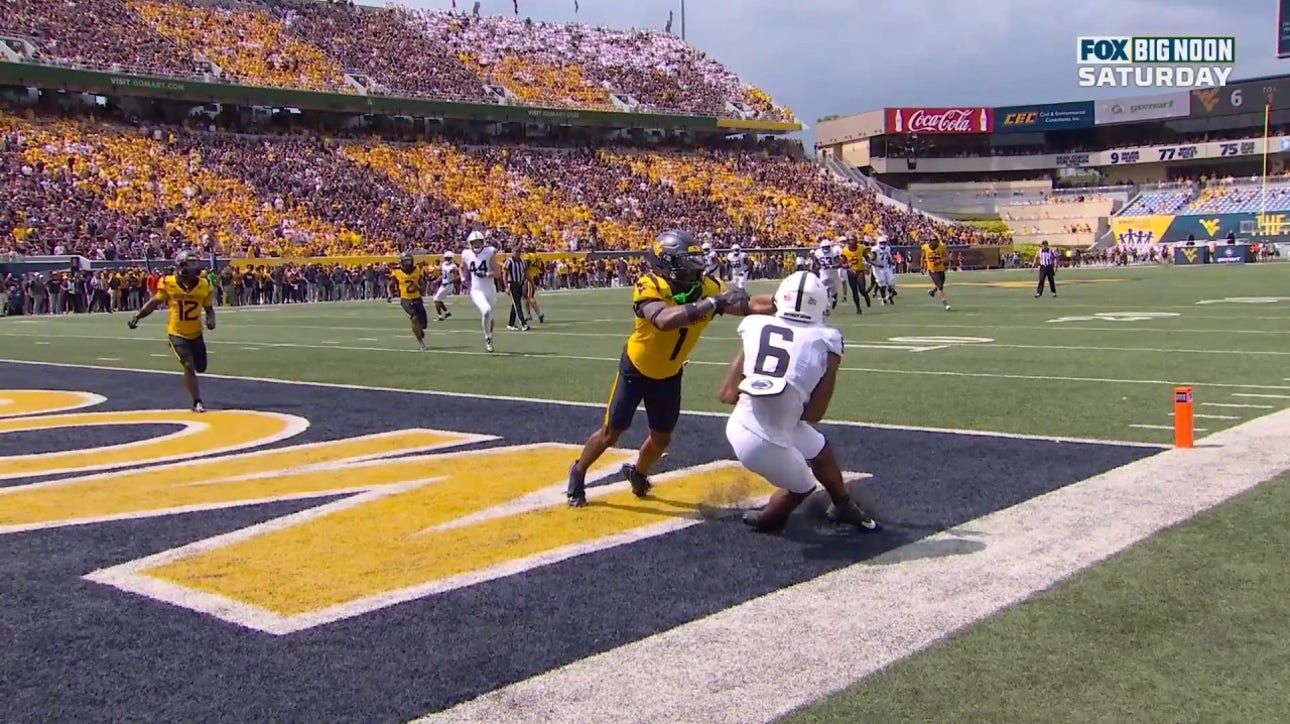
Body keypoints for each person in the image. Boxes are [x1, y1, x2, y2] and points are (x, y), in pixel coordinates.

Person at [566, 230, 775, 508]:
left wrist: (790, 301)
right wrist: (715, 302)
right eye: (685, 265)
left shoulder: (708, 288)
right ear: (665, 264)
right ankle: (578, 471)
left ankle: (637, 471)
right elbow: (664, 319)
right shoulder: (650, 285)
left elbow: (747, 304)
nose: (693, 271)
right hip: (636, 369)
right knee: (612, 432)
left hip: (670, 373)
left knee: (662, 438)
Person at [719, 271, 881, 533]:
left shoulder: (754, 325)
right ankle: (768, 520)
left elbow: (727, 394)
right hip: (763, 439)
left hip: (745, 422)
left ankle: (843, 504)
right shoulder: (826, 339)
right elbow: (815, 413)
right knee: (804, 486)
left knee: (820, 449)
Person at [127, 251, 216, 412]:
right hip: (177, 332)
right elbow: (154, 302)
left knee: (200, 367)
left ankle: (196, 396)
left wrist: (211, 320)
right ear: (181, 266)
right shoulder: (169, 283)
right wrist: (138, 316)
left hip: (196, 333)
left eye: (195, 264)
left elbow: (209, 308)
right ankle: (197, 401)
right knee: (188, 365)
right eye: (190, 264)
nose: (194, 268)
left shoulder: (204, 284)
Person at [460, 230, 502, 353]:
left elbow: (498, 272)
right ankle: (487, 338)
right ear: (470, 243)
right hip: (477, 289)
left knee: (491, 317)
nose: (477, 245)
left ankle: (490, 337)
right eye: (474, 242)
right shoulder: (466, 254)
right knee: (486, 311)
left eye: (479, 242)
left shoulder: (489, 252)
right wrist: (463, 278)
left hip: (490, 289)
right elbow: (462, 267)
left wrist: (487, 273)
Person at [391, 252, 428, 351]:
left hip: (417, 298)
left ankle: (419, 330)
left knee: (423, 324)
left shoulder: (417, 270)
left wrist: (419, 288)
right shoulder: (396, 271)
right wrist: (391, 294)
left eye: (409, 261)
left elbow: (423, 286)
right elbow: (391, 284)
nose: (408, 263)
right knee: (414, 318)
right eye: (406, 261)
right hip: (405, 299)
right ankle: (421, 342)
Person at [840, 236, 871, 313]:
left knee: (862, 289)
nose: (852, 244)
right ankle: (858, 308)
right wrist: (845, 266)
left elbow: (866, 257)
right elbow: (843, 262)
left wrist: (868, 265)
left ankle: (866, 296)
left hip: (860, 270)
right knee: (854, 291)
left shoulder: (861, 248)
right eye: (850, 242)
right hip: (851, 272)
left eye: (853, 242)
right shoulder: (845, 250)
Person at [503, 247, 531, 332]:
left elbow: (526, 273)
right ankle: (523, 324)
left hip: (520, 283)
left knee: (515, 304)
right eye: (516, 251)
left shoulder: (523, 262)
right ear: (513, 252)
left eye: (519, 251)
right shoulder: (509, 262)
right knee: (517, 304)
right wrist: (506, 287)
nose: (518, 253)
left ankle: (511, 324)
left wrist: (532, 282)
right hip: (512, 284)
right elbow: (504, 274)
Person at [922, 237, 951, 311]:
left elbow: (947, 257)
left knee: (940, 284)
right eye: (932, 242)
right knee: (940, 286)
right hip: (932, 270)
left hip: (941, 269)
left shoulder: (942, 247)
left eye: (935, 242)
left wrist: (940, 260)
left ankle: (932, 291)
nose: (933, 244)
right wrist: (922, 267)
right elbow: (923, 257)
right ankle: (945, 303)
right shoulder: (925, 247)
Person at [872, 236, 897, 305]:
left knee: (891, 282)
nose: (883, 244)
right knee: (882, 283)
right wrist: (877, 265)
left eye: (884, 242)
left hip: (886, 267)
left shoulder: (888, 248)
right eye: (881, 243)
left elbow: (888, 258)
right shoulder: (875, 249)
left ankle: (890, 297)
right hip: (878, 269)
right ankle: (883, 299)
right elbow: (872, 260)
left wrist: (891, 262)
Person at [432, 251, 455, 321]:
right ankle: (447, 313)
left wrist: (448, 282)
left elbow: (456, 277)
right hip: (444, 284)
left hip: (448, 285)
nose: (447, 259)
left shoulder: (453, 267)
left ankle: (440, 316)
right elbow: (443, 275)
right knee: (439, 299)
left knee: (436, 299)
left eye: (448, 258)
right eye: (446, 258)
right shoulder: (444, 264)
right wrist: (437, 280)